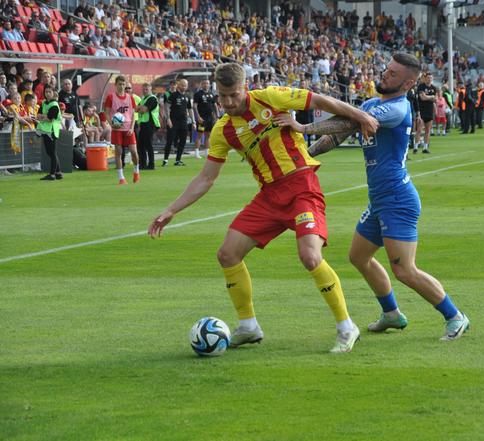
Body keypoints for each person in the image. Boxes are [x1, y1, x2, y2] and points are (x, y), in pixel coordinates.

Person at [148, 62, 378, 353]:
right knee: (227, 253)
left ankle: (347, 327)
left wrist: (362, 116)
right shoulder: (223, 131)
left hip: (301, 186)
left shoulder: (270, 97)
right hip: (269, 196)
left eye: (233, 94)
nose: (228, 102)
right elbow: (206, 178)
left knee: (309, 256)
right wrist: (172, 209)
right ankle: (248, 326)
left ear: (244, 87)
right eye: (222, 96)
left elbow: (322, 100)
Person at [274, 52, 470, 342]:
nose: (384, 75)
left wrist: (303, 128)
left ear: (408, 83)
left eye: (392, 74)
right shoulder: (371, 104)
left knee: (404, 270)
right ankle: (392, 314)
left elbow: (351, 124)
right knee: (359, 256)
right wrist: (305, 156)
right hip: (379, 200)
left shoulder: (397, 109)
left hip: (397, 200)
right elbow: (337, 134)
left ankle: (455, 316)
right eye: (386, 70)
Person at [104, 75, 139, 184]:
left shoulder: (130, 97)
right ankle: (121, 178)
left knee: (134, 152)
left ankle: (136, 171)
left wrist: (132, 128)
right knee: (118, 152)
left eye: (123, 84)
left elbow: (133, 114)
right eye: (119, 84)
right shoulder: (111, 97)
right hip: (117, 129)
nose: (122, 86)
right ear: (115, 85)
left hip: (128, 128)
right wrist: (111, 124)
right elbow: (106, 112)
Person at [163, 78, 194, 166]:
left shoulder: (188, 96)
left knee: (183, 140)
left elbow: (190, 109)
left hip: (184, 121)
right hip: (173, 121)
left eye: (185, 85)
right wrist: (168, 119)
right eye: (182, 85)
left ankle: (178, 160)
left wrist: (193, 121)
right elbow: (167, 107)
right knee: (170, 140)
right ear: (178, 85)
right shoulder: (173, 95)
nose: (184, 87)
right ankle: (165, 160)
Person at [36, 85, 63, 181]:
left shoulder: (54, 105)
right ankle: (58, 173)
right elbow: (38, 115)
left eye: (49, 92)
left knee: (52, 152)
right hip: (45, 130)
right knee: (50, 152)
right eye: (46, 92)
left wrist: (43, 117)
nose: (47, 93)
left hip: (52, 131)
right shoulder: (44, 102)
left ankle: (52, 174)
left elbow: (49, 119)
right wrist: (44, 116)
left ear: (53, 93)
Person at [137, 82, 160, 169]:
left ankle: (151, 165)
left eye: (146, 89)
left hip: (150, 123)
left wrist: (141, 108)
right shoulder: (144, 99)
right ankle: (142, 164)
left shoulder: (152, 99)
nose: (145, 91)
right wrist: (140, 108)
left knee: (148, 144)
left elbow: (142, 110)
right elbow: (136, 109)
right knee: (141, 145)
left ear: (151, 89)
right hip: (144, 124)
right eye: (143, 89)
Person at [192, 78, 217, 159]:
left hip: (210, 118)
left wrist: (216, 116)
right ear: (201, 84)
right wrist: (198, 116)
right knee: (200, 135)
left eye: (207, 83)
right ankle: (196, 153)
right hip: (202, 118)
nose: (206, 85)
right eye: (204, 83)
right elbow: (195, 106)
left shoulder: (211, 94)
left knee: (208, 135)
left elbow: (214, 105)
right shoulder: (198, 94)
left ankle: (207, 152)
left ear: (209, 85)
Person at [415, 72, 436, 153]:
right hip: (422, 110)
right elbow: (422, 98)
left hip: (430, 110)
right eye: (428, 78)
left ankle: (425, 147)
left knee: (428, 130)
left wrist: (427, 97)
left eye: (431, 78)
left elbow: (435, 99)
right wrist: (431, 97)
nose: (429, 79)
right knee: (419, 129)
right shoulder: (421, 86)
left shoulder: (434, 88)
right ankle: (416, 147)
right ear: (425, 78)